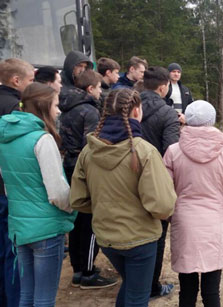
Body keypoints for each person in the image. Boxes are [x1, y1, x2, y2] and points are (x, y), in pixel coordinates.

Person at [70, 89, 176, 307]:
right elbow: (163, 205)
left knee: (131, 286)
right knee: (138, 296)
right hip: (141, 240)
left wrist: (106, 209)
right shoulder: (143, 151)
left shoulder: (88, 153)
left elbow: (79, 200)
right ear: (137, 110)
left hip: (107, 238)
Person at [163, 100, 223, 307]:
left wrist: (171, 214)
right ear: (212, 120)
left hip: (183, 220)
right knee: (212, 291)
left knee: (187, 290)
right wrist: (222, 209)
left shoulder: (173, 151)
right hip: (213, 221)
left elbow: (163, 193)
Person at [0, 83, 77, 306]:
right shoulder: (42, 140)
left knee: (26, 294)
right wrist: (74, 207)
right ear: (44, 106)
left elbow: (7, 183)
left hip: (19, 226)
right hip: (46, 229)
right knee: (44, 298)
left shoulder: (5, 138)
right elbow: (57, 193)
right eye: (55, 105)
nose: (59, 110)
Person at [60, 69, 117, 289]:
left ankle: (77, 269)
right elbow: (92, 146)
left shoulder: (67, 108)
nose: (102, 91)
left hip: (69, 166)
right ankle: (88, 272)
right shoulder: (90, 112)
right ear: (90, 88)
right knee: (91, 220)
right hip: (84, 168)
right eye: (100, 87)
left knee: (76, 220)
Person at [139, 66, 180, 298]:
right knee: (157, 234)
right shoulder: (167, 114)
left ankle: (135, 280)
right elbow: (171, 153)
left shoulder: (128, 107)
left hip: (127, 179)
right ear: (163, 87)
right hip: (155, 181)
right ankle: (152, 286)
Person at [0, 57, 34, 307]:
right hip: (8, 190)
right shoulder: (15, 109)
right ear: (16, 80)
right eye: (31, 81)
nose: (32, 85)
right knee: (13, 255)